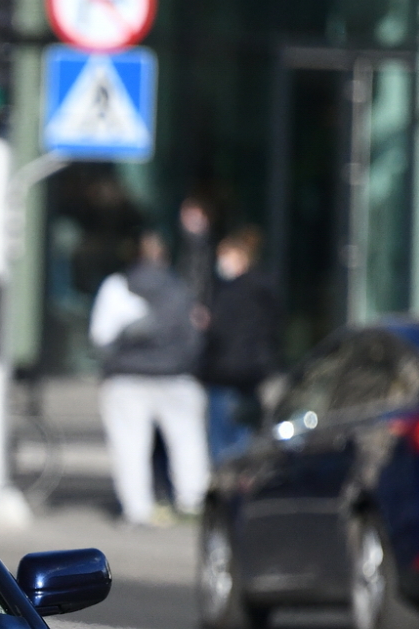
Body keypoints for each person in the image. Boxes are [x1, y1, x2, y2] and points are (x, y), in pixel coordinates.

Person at [90, 231, 208, 527]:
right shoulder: (180, 288)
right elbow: (193, 338)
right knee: (187, 442)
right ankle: (192, 503)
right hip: (175, 377)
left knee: (130, 447)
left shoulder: (118, 286)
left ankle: (137, 509)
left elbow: (100, 336)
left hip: (126, 379)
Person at [199, 226, 280, 464]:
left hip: (226, 372)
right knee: (245, 438)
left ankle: (227, 492)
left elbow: (220, 330)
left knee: (222, 443)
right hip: (251, 374)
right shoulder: (264, 288)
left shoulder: (233, 291)